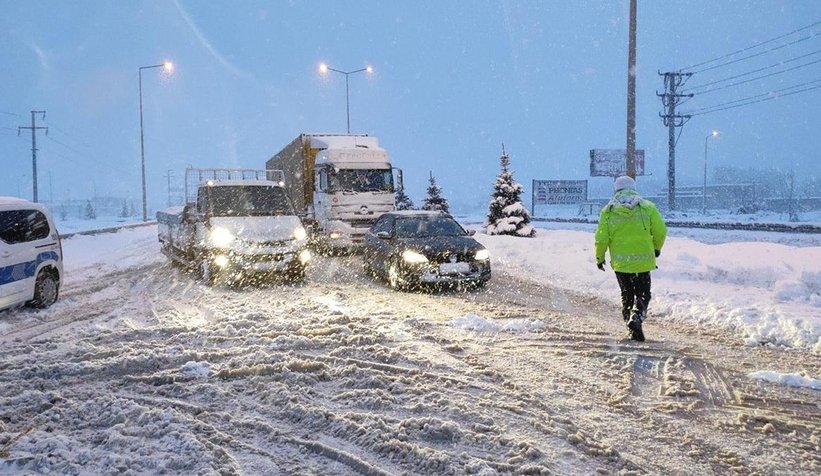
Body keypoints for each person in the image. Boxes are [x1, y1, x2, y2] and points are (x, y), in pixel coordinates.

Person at [594, 175, 667, 341]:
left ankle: (630, 325)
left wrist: (600, 257)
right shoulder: (648, 207)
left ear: (616, 190)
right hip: (643, 261)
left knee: (627, 294)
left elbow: (601, 237)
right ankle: (637, 316)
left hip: (621, 263)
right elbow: (661, 231)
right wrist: (656, 248)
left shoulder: (608, 211)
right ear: (633, 189)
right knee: (643, 294)